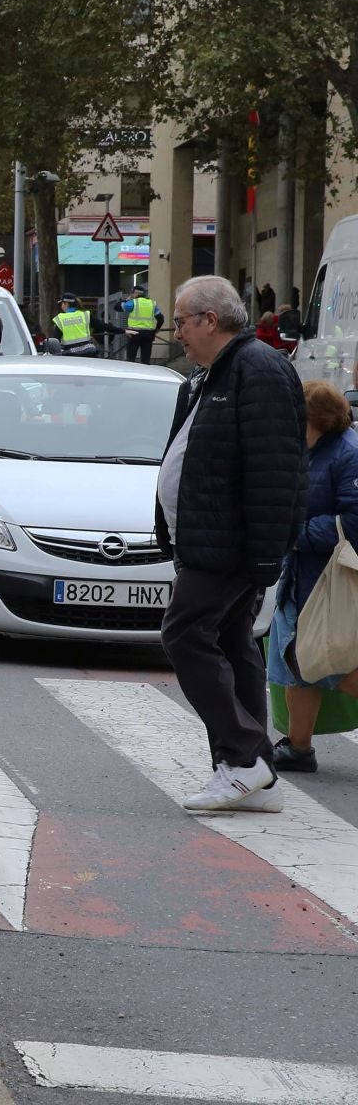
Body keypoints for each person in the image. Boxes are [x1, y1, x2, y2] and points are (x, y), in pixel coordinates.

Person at [156, 275, 307, 812]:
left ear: (209, 321)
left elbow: (275, 471)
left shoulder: (258, 370)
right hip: (208, 538)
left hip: (229, 544)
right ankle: (247, 770)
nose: (177, 333)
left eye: (181, 322)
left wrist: (265, 555)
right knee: (232, 641)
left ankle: (245, 758)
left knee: (184, 635)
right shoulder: (208, 374)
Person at [265, 381, 358, 772]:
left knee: (332, 662)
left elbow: (354, 520)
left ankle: (299, 748)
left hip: (332, 579)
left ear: (314, 418)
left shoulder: (347, 454)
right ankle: (298, 748)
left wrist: (296, 535)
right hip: (303, 576)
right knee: (294, 661)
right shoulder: (311, 449)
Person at [121, 286, 162, 364]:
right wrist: (155, 331)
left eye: (132, 293)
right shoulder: (152, 303)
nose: (132, 295)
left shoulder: (133, 303)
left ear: (136, 293)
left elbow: (117, 307)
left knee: (130, 360)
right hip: (148, 334)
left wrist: (125, 300)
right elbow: (161, 319)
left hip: (134, 334)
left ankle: (130, 374)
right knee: (146, 361)